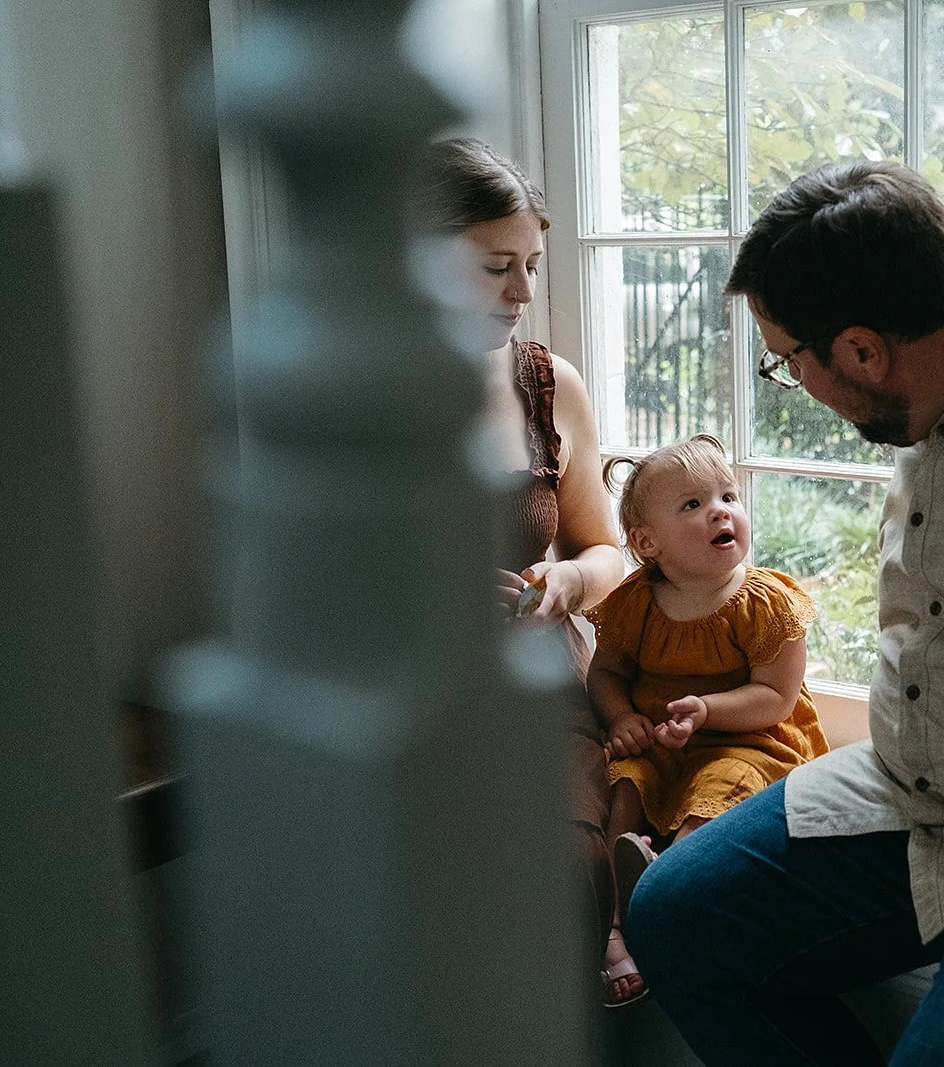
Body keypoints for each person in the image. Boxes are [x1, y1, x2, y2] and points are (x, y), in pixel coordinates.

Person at [624, 161, 944, 1065]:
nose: (794, 383)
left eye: (789, 361)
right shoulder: (930, 396)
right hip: (904, 791)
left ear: (864, 352)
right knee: (673, 916)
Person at [412, 137, 628, 1002]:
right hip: (417, 695)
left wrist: (564, 587)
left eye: (532, 263)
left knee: (561, 873)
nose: (525, 292)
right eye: (497, 266)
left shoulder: (545, 385)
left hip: (540, 691)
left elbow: (605, 550)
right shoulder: (363, 393)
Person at [583, 433, 830, 1008]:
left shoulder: (763, 601)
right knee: (626, 781)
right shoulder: (634, 602)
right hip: (662, 744)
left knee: (726, 785)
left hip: (750, 740)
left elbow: (776, 696)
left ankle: (672, 881)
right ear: (648, 543)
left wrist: (708, 710)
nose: (721, 510)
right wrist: (621, 718)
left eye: (728, 496)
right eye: (693, 505)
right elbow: (606, 673)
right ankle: (618, 917)